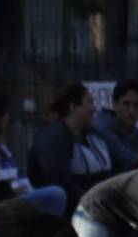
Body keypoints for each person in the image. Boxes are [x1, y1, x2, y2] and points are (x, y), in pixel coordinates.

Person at [0, 91, 67, 216]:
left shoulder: (2, 149)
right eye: (5, 113)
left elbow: (19, 177)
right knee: (56, 194)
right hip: (1, 203)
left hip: (19, 197)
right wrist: (10, 191)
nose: (7, 118)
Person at [28, 82, 112, 215]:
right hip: (75, 213)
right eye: (89, 102)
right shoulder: (53, 138)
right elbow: (58, 180)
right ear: (73, 106)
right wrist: (91, 205)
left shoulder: (93, 135)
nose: (94, 108)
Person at [92, 79, 138, 172]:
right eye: (126, 104)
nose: (131, 111)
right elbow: (127, 159)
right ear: (114, 105)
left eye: (137, 105)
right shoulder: (103, 127)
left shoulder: (133, 131)